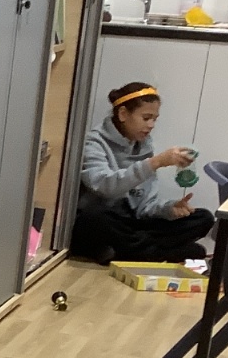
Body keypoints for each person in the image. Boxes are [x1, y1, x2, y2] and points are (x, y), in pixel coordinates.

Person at [71, 82, 214, 265]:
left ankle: (134, 251)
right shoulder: (94, 142)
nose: (151, 125)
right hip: (104, 221)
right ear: (123, 114)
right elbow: (105, 186)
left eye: (155, 119)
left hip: (130, 224)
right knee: (94, 218)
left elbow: (145, 207)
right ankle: (154, 252)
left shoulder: (144, 145)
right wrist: (155, 163)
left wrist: (170, 209)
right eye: (146, 118)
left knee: (203, 218)